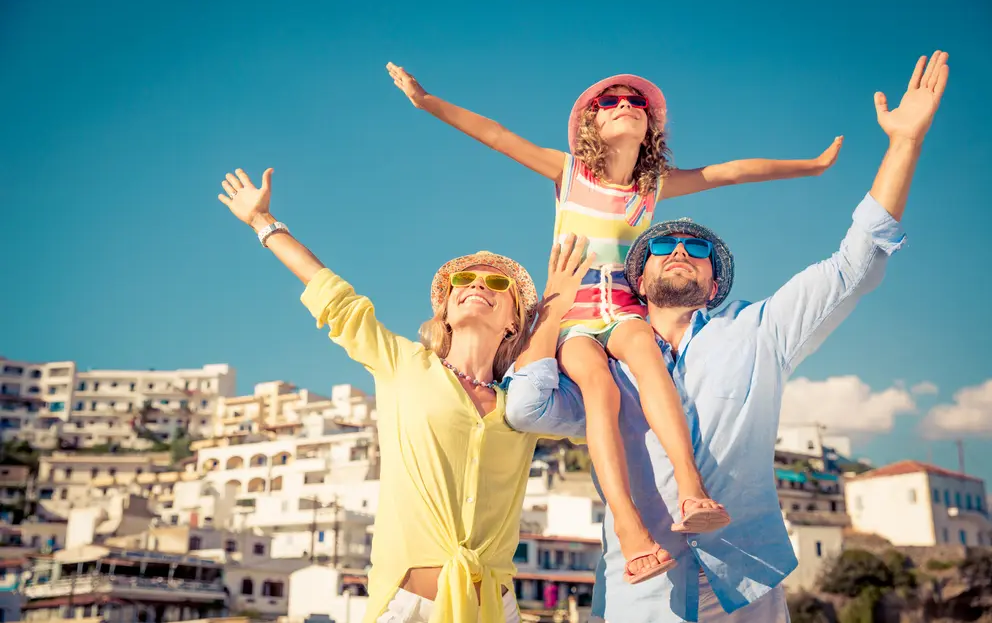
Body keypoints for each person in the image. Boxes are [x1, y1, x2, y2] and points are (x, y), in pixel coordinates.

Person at [502, 51, 950, 621]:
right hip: (641, 597)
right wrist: (555, 308)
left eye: (700, 248)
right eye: (662, 245)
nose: (682, 251)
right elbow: (525, 407)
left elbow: (855, 264)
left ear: (716, 280)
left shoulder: (760, 333)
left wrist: (904, 144)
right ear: (635, 276)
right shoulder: (601, 365)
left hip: (748, 587)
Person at [387, 62, 842, 583]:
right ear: (590, 124)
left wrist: (811, 167)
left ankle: (692, 492)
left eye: (635, 103)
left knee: (650, 365)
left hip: (625, 310)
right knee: (600, 391)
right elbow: (495, 135)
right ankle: (630, 532)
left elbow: (731, 172)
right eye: (609, 102)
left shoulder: (651, 190)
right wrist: (427, 102)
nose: (624, 106)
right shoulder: (570, 174)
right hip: (574, 316)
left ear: (650, 127)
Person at [216, 166, 594, 622]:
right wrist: (263, 223)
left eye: (497, 284)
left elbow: (612, 424)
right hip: (408, 607)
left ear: (514, 320)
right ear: (446, 310)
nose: (477, 285)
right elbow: (333, 297)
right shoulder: (403, 363)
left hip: (496, 608)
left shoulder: (526, 405)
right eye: (464, 281)